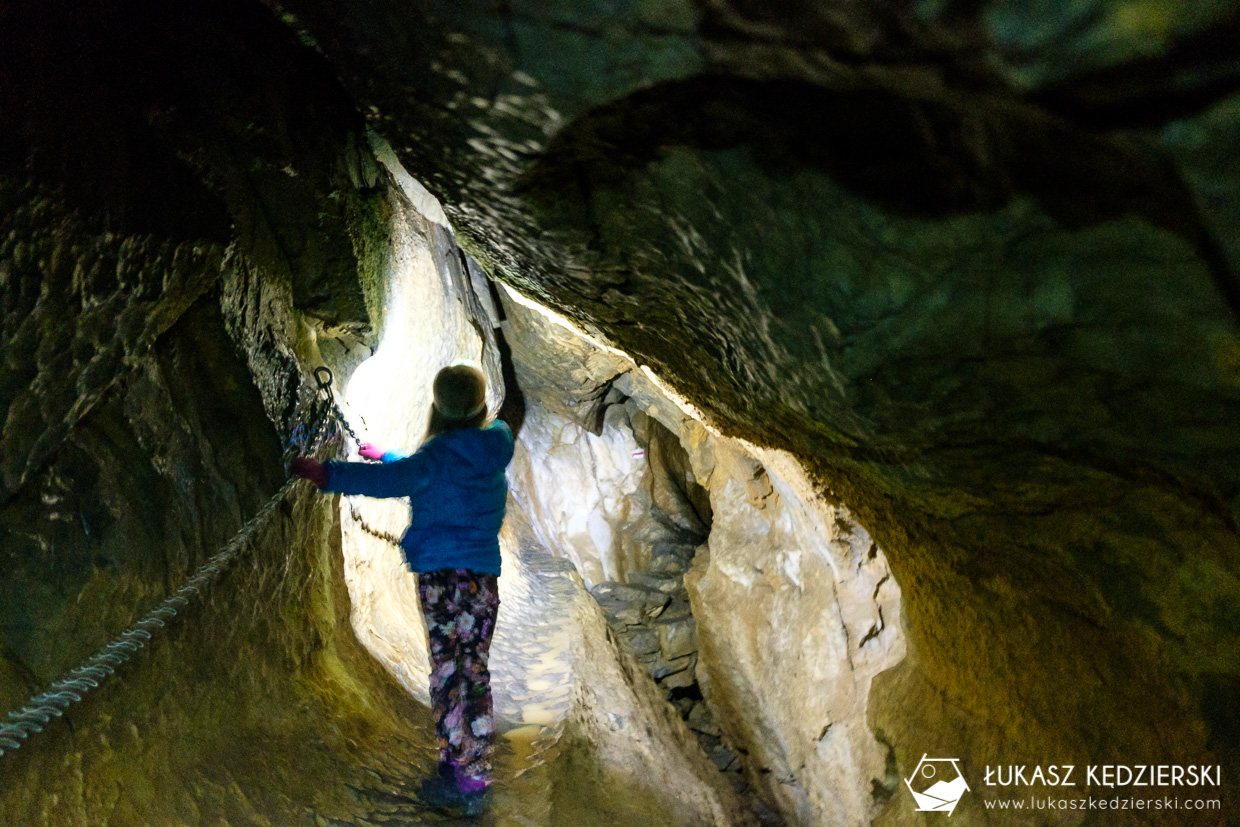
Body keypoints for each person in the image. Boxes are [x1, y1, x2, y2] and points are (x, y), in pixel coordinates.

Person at [290, 362, 514, 815]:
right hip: (481, 578)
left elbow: (396, 481)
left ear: (437, 408)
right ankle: (475, 771)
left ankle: (459, 771)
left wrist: (326, 474)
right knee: (473, 671)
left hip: (440, 581)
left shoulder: (432, 459)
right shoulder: (496, 445)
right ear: (481, 406)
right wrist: (387, 453)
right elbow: (429, 470)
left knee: (447, 672)